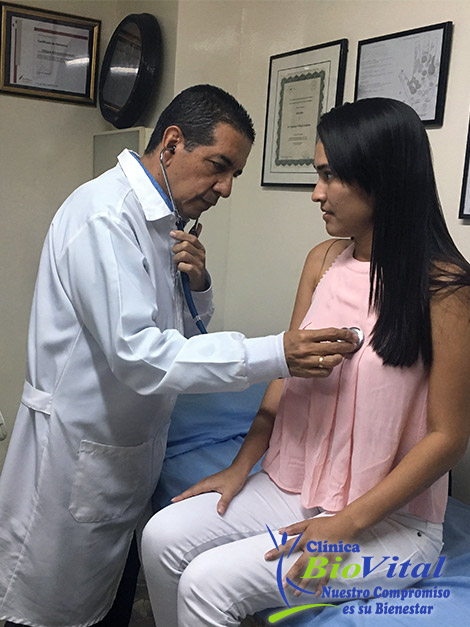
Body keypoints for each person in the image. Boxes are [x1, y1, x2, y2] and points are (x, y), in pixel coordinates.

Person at [0, 85, 358, 627]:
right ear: (171, 143)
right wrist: (276, 353)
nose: (227, 188)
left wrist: (199, 282)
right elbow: (140, 356)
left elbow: (178, 334)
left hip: (126, 450)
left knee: (111, 599)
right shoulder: (105, 217)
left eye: (235, 173)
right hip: (76, 453)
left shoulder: (161, 219)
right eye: (219, 166)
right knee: (52, 610)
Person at [141, 97, 470, 627]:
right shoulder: (323, 260)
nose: (317, 193)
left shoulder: (445, 288)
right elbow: (284, 372)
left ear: (381, 177)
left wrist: (344, 526)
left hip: (391, 521)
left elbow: (448, 437)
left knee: (208, 582)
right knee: (161, 535)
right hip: (296, 489)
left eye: (329, 176)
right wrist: (240, 467)